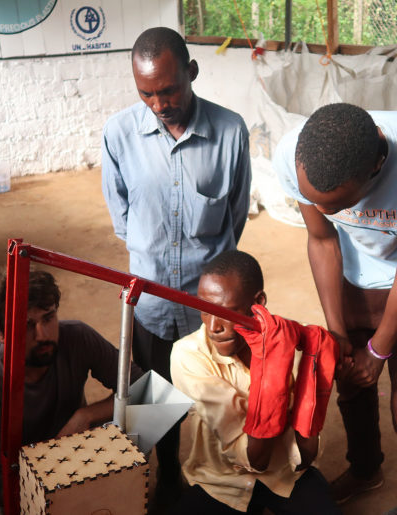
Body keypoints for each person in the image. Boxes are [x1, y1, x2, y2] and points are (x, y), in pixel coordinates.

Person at [274, 103, 397, 513]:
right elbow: (324, 241)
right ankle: (366, 469)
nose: (329, 213)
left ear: (377, 167)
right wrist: (339, 333)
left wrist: (379, 351)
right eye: (318, 203)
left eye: (338, 204)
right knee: (349, 378)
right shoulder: (296, 153)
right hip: (349, 280)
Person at [101, 26, 251, 501]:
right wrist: (152, 255)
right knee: (154, 402)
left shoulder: (230, 131)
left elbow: (236, 215)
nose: (159, 104)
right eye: (146, 93)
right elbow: (122, 216)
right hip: (150, 303)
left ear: (192, 72)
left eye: (168, 90)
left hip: (209, 308)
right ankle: (166, 476)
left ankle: (221, 484)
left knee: (222, 402)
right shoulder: (119, 134)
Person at [170, 250, 340, 514]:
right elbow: (255, 460)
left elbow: (305, 456)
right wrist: (273, 372)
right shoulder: (188, 355)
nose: (213, 326)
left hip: (286, 474)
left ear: (258, 302)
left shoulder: (297, 344)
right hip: (221, 482)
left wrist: (315, 370)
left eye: (225, 312)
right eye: (205, 311)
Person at [0, 269, 143, 507]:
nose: (43, 335)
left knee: (141, 424)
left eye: (49, 318)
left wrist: (87, 414)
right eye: (27, 325)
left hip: (79, 457)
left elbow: (140, 385)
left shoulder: (77, 336)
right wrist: (63, 497)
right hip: (27, 483)